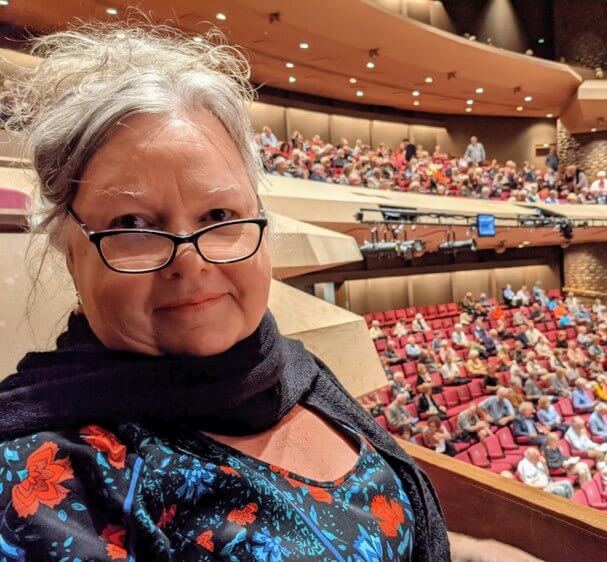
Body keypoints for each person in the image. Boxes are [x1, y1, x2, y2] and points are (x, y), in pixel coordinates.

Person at [0, 23, 456, 561]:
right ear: (69, 250)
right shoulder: (45, 480)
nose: (189, 262)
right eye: (132, 224)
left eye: (219, 215)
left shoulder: (297, 372)